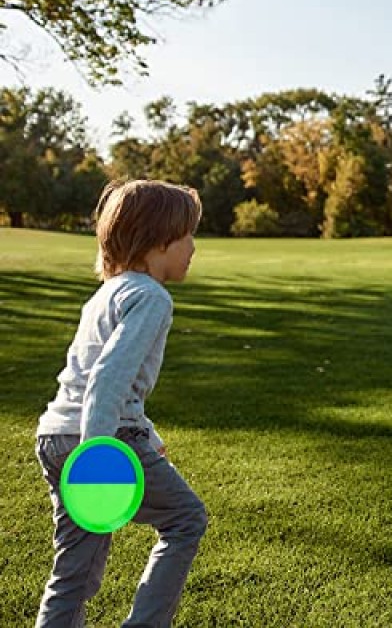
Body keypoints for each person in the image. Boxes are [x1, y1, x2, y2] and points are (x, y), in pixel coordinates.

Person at [35, 179, 207, 626]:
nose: (194, 247)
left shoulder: (107, 292)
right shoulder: (152, 297)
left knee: (76, 566)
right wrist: (98, 453)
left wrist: (149, 435)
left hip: (56, 434)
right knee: (185, 519)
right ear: (158, 241)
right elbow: (107, 377)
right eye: (187, 236)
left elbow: (105, 381)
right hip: (99, 437)